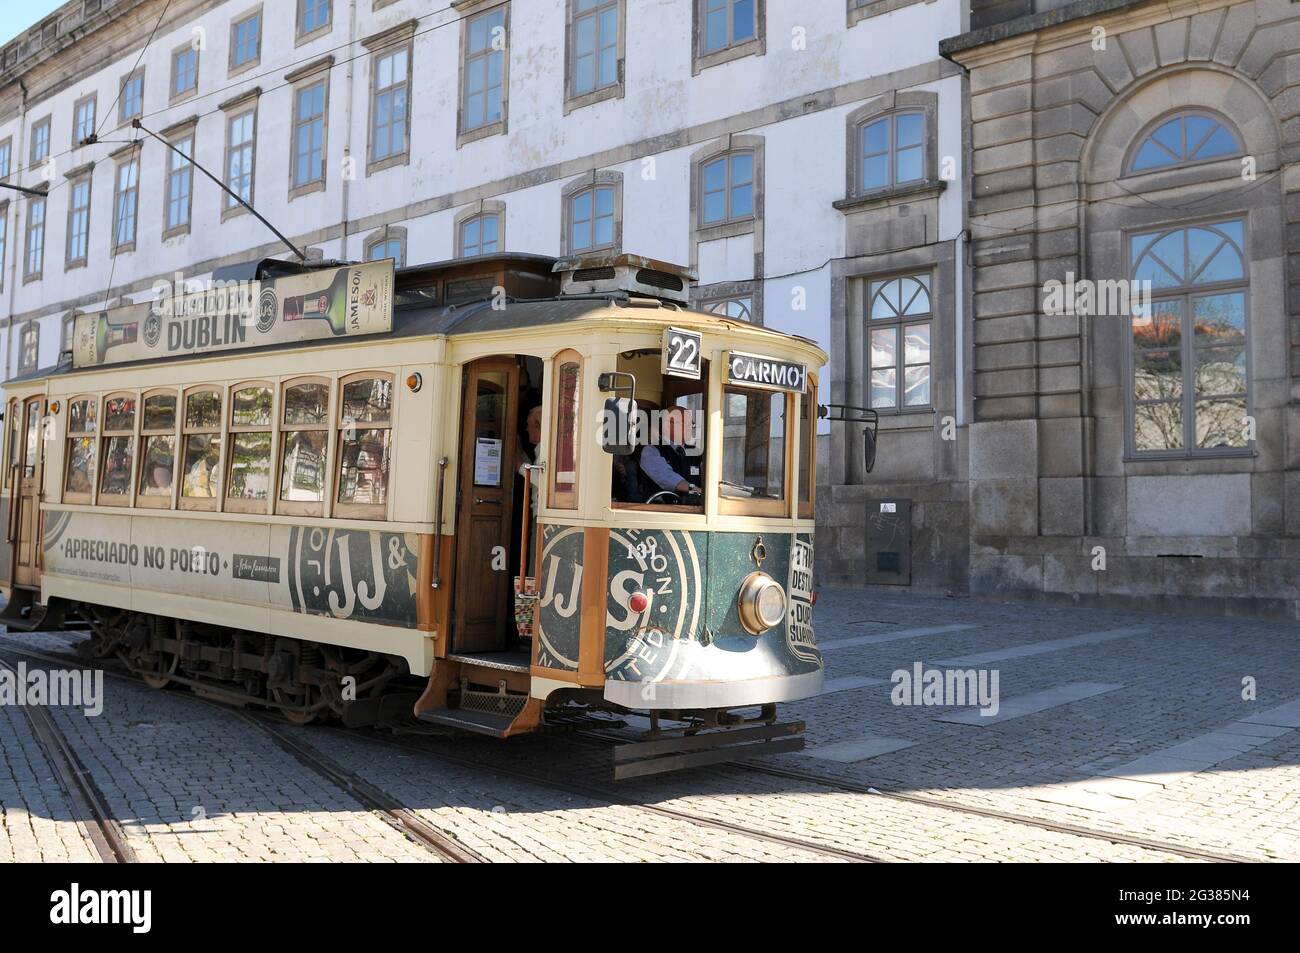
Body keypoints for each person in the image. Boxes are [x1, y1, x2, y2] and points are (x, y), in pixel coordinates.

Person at [640, 405, 702, 501]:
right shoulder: (651, 451)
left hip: (696, 510)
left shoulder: (697, 452)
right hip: (662, 511)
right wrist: (697, 491)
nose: (690, 427)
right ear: (668, 425)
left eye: (692, 424)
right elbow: (671, 479)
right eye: (685, 423)